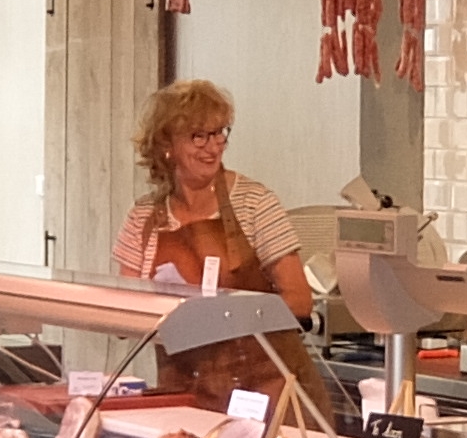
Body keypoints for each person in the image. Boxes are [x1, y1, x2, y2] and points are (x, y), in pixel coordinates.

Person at [111, 78, 315, 319]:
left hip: (253, 344)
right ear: (167, 145)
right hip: (173, 346)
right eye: (198, 136)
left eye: (218, 133)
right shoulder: (142, 217)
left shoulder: (256, 203)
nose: (213, 147)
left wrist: (223, 316)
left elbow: (300, 302)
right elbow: (123, 314)